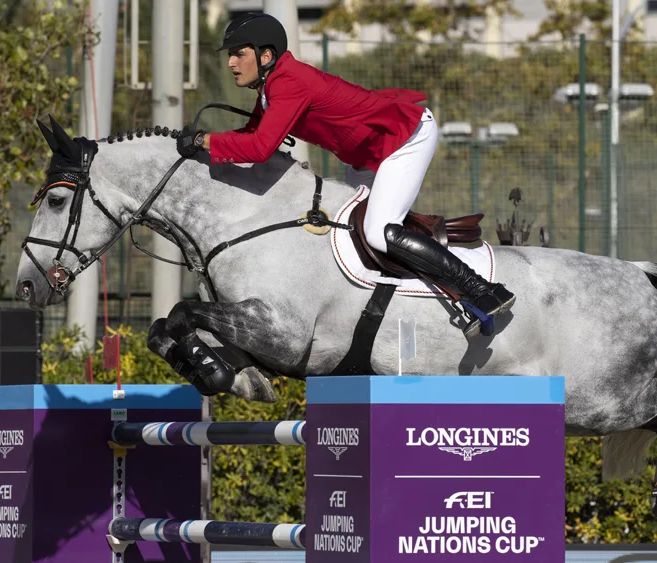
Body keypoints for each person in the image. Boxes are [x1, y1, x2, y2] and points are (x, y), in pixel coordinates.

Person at [176, 12, 515, 334]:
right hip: (365, 155)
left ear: (266, 56)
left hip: (404, 138)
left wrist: (205, 140)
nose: (231, 63)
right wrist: (202, 145)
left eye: (238, 54)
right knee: (349, 235)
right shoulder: (270, 89)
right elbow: (251, 136)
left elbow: (261, 148)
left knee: (380, 231)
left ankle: (482, 290)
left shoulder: (288, 82)